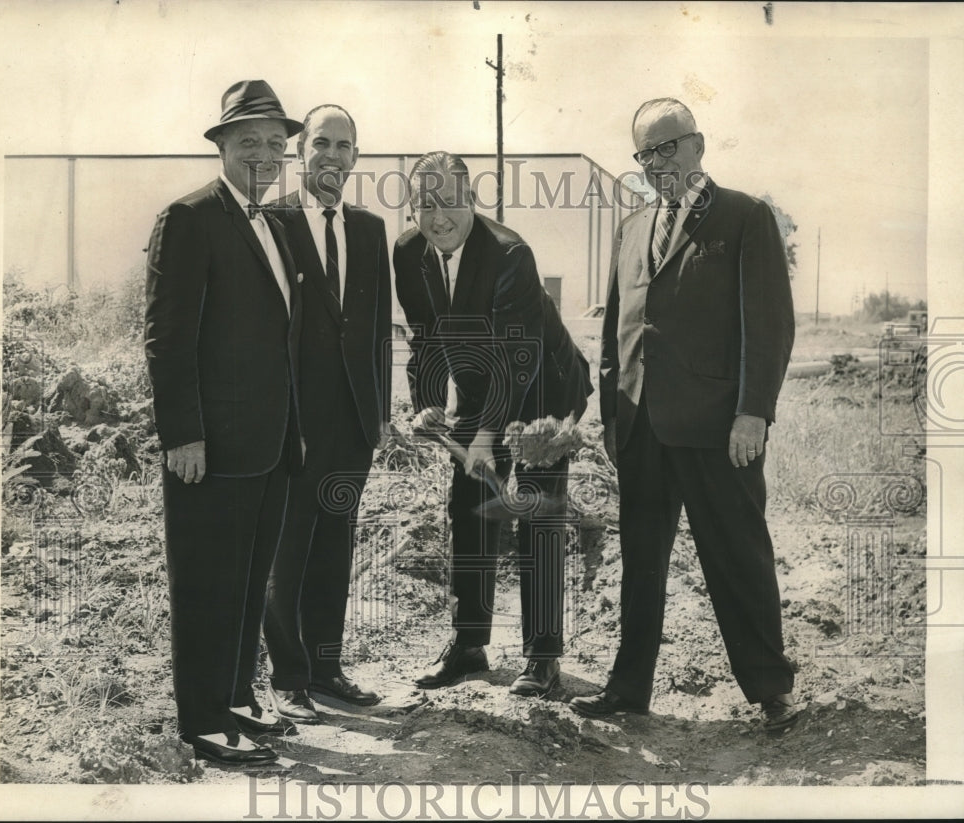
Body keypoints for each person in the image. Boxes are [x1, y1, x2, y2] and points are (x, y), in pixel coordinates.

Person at [570, 98, 799, 731]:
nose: (656, 164)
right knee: (641, 566)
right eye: (644, 154)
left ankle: (770, 690)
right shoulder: (632, 227)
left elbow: (771, 326)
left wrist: (753, 413)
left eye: (667, 148)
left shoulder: (745, 217)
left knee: (737, 555)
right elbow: (619, 326)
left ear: (698, 145)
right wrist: (615, 419)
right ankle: (628, 689)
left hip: (719, 431)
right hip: (642, 428)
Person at [144, 80, 304, 764]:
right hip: (208, 447)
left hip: (267, 446)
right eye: (250, 142)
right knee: (208, 581)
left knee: (246, 581)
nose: (265, 153)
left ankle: (236, 700)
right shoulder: (189, 217)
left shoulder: (271, 223)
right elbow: (166, 336)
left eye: (276, 143)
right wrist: (182, 432)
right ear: (222, 147)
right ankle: (204, 721)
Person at [393, 152, 593, 697]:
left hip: (543, 388)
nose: (439, 217)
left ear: (471, 200)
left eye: (450, 201)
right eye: (425, 205)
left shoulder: (509, 254)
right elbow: (424, 337)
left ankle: (543, 656)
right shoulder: (409, 251)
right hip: (482, 390)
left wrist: (486, 438)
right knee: (469, 507)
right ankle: (468, 643)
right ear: (412, 209)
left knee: (536, 509)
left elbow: (516, 359)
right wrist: (430, 404)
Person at [263, 104, 391, 719]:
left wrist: (380, 416)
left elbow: (375, 334)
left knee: (334, 546)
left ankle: (326, 668)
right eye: (321, 144)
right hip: (294, 424)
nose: (332, 157)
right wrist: (285, 421)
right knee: (288, 549)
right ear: (300, 150)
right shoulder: (273, 221)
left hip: (352, 427)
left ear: (356, 157)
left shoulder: (369, 230)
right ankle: (288, 677)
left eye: (344, 145)